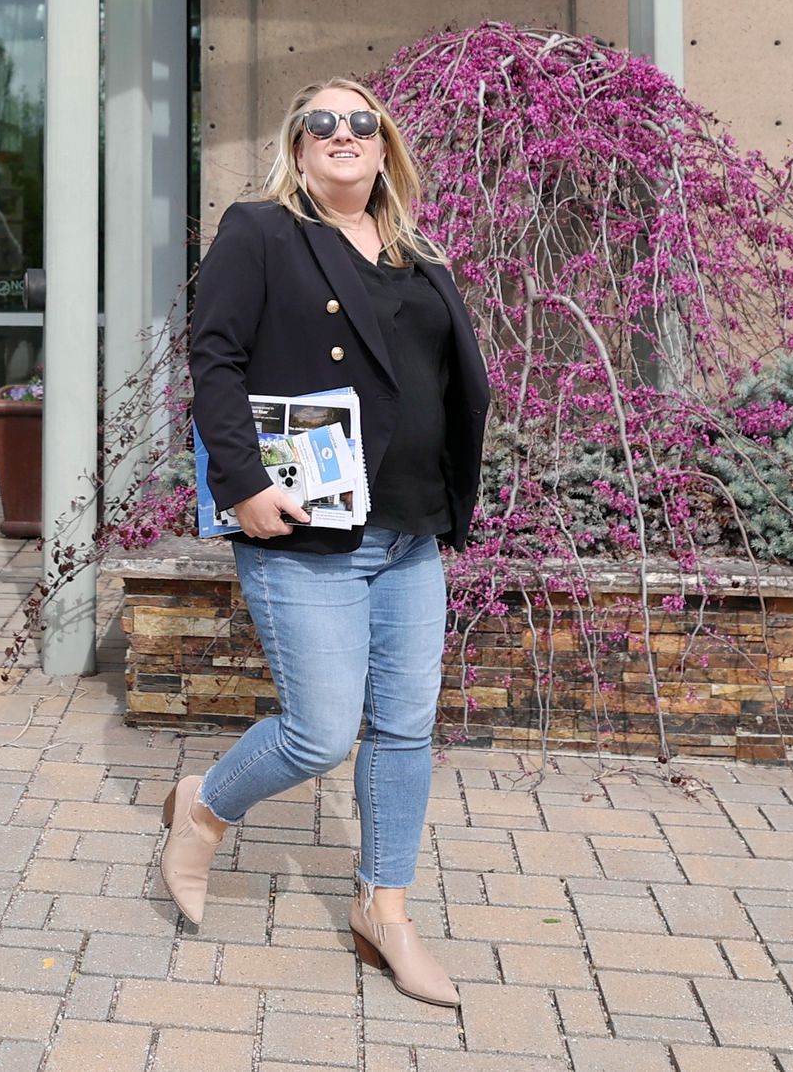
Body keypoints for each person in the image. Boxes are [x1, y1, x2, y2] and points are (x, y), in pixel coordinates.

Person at [155, 78, 491, 1008]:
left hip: (412, 530)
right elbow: (212, 360)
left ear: (384, 149)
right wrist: (243, 485)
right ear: (298, 152)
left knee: (405, 728)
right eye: (321, 124)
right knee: (320, 731)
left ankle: (385, 909)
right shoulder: (262, 233)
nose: (343, 134)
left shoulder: (423, 255)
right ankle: (203, 810)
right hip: (309, 529)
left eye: (361, 123)